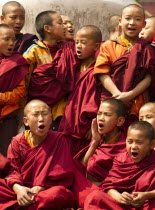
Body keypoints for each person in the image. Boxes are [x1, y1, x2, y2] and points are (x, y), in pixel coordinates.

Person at [0, 99, 77, 209]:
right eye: (36, 115)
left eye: (45, 114)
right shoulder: (17, 142)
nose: (41, 119)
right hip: (21, 189)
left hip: (45, 190)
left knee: (58, 194)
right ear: (26, 121)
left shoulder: (59, 139)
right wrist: (19, 189)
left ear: (50, 119)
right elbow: (12, 170)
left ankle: (22, 205)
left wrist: (40, 188)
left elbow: (62, 173)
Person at [94, 4, 155, 123]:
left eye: (137, 19)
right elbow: (102, 73)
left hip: (137, 101)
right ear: (120, 22)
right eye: (128, 18)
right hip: (112, 100)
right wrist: (117, 95)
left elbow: (149, 77)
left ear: (143, 24)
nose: (132, 22)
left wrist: (130, 95)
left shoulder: (147, 48)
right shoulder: (109, 45)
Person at [23, 10, 76, 131]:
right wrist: (22, 113)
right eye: (60, 23)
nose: (65, 26)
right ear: (47, 28)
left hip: (63, 112)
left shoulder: (69, 49)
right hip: (39, 113)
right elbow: (24, 83)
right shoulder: (34, 52)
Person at [84, 121, 155, 209]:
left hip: (146, 204)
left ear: (152, 144)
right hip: (122, 205)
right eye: (130, 141)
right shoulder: (121, 159)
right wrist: (119, 197)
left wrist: (147, 195)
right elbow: (108, 186)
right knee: (95, 197)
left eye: (139, 142)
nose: (133, 146)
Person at [59, 25, 102, 156]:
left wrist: (95, 124)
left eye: (83, 43)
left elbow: (99, 99)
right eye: (77, 42)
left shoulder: (98, 70)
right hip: (68, 123)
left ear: (96, 46)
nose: (78, 46)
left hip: (86, 126)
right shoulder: (72, 67)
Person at [75, 98, 126, 186]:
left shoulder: (125, 145)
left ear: (120, 121)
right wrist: (95, 142)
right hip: (85, 185)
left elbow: (121, 181)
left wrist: (95, 184)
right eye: (99, 114)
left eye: (107, 114)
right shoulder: (99, 139)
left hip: (104, 190)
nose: (101, 118)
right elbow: (81, 167)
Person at [0, 23, 28, 156]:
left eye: (13, 39)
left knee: (6, 157)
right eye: (6, 39)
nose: (11, 43)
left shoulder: (17, 62)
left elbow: (19, 92)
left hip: (7, 117)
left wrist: (2, 98)